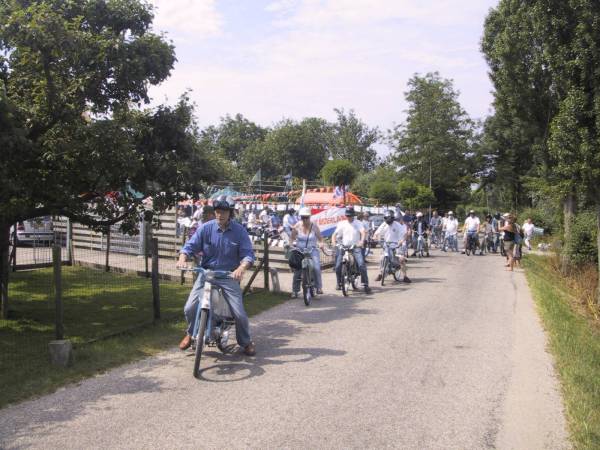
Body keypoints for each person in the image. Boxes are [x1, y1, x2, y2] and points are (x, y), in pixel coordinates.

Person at [176, 195, 256, 356]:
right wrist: (182, 258)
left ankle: (245, 342)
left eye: (224, 212)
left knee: (239, 313)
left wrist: (241, 268)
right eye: (218, 211)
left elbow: (248, 254)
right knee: (189, 307)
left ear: (230, 213)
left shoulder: (239, 231)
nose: (220, 215)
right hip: (206, 274)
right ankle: (191, 333)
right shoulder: (206, 228)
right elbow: (190, 246)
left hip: (228, 276)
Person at [332, 206, 371, 294]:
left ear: (354, 215)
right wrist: (334, 243)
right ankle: (339, 282)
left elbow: (363, 232)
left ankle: (365, 284)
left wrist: (361, 241)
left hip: (355, 247)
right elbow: (334, 234)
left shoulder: (358, 223)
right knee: (338, 266)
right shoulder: (342, 223)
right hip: (344, 247)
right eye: (347, 216)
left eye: (350, 215)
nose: (349, 217)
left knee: (361, 264)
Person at [290, 207, 324, 297]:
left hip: (312, 250)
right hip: (299, 250)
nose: (304, 219)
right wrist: (292, 244)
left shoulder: (314, 226)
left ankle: (318, 287)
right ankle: (295, 291)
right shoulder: (297, 226)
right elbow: (292, 238)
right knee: (297, 270)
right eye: (302, 217)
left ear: (310, 217)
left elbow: (320, 238)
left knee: (316, 267)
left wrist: (321, 244)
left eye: (306, 217)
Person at [373, 210, 411, 283]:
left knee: (401, 260)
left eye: (390, 219)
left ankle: (405, 276)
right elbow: (377, 232)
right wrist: (375, 236)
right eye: (387, 219)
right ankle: (381, 274)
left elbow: (405, 234)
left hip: (397, 244)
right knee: (381, 258)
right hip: (386, 245)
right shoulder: (384, 224)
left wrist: (401, 241)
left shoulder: (397, 225)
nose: (388, 221)